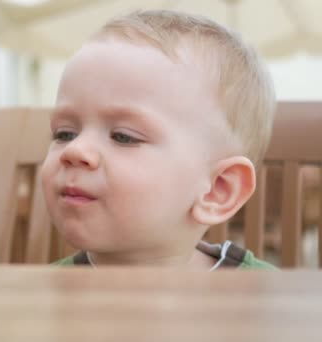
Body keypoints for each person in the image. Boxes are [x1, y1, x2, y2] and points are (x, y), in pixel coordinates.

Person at [43, 10, 277, 269]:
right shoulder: (35, 296)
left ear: (217, 190)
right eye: (65, 134)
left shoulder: (268, 297)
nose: (75, 150)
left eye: (123, 137)